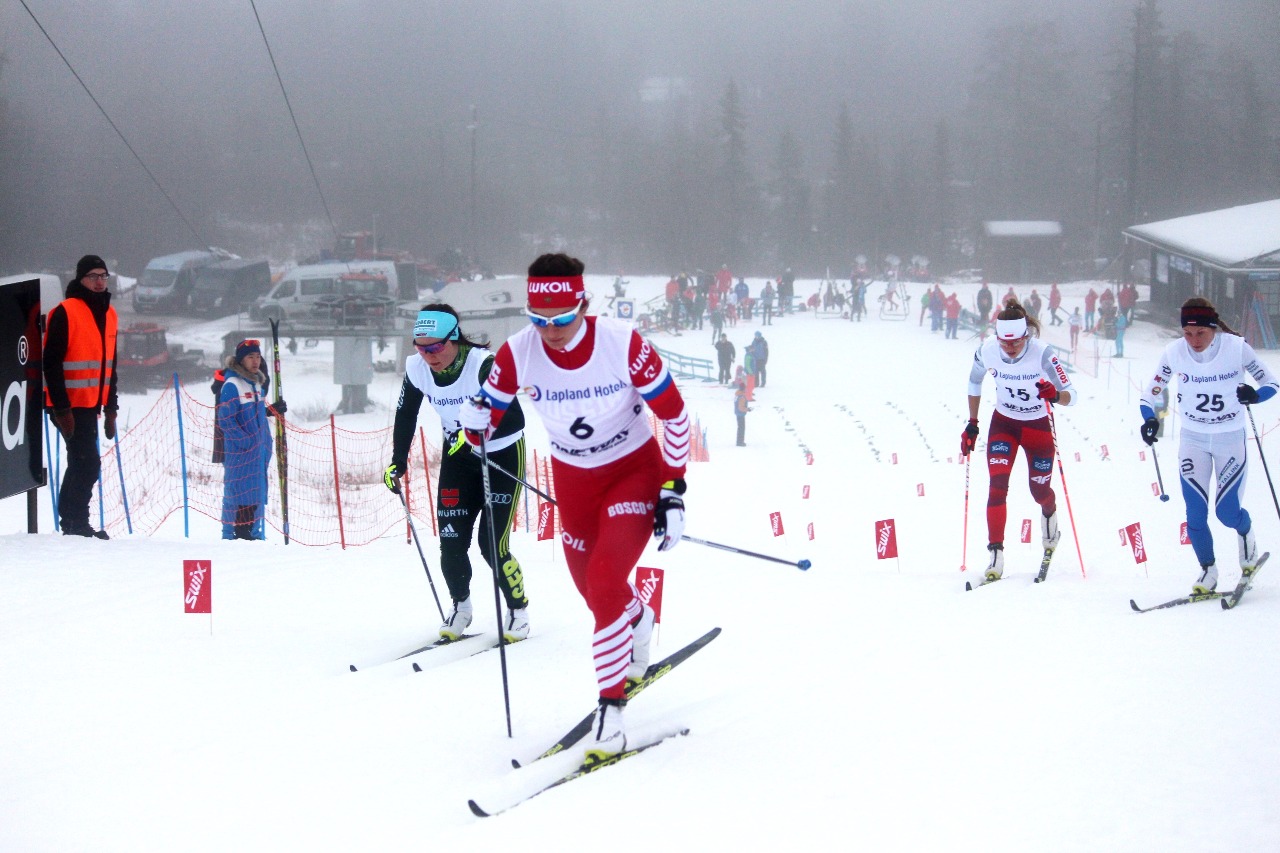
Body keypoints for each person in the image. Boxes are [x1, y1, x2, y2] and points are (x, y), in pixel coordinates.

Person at [459, 252, 690, 760]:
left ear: (583, 305)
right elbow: (489, 416)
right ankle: (638, 618)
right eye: (540, 321)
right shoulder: (519, 352)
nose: (552, 332)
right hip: (574, 481)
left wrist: (673, 492)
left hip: (633, 471)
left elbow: (675, 417)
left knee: (606, 580)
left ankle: (611, 709)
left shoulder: (622, 344)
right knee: (595, 592)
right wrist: (478, 423)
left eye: (562, 320)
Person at [382, 304, 530, 642]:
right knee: (451, 544)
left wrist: (471, 433)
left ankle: (518, 610)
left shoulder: (482, 365)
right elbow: (406, 413)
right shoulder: (417, 368)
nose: (429, 355)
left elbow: (515, 419)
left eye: (435, 347)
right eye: (421, 347)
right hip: (458, 459)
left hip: (501, 455)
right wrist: (398, 460)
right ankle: (461, 608)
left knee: (491, 545)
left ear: (454, 339)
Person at [1138, 297, 1277, 595]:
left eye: (1200, 333)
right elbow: (1147, 395)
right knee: (1195, 516)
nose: (1193, 340)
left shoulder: (1236, 348)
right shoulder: (1174, 352)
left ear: (1213, 328)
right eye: (1187, 334)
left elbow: (1272, 383)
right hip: (1193, 439)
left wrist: (1255, 395)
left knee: (1227, 513)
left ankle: (1247, 537)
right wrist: (1148, 420)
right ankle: (1209, 570)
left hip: (1229, 438)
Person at [960, 300, 1075, 580]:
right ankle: (995, 555)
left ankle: (1050, 514)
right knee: (997, 486)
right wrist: (972, 423)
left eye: (1016, 342)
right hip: (1005, 424)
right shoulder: (987, 350)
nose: (1010, 348)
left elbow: (1071, 394)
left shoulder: (1043, 353)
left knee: (1039, 492)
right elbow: (974, 381)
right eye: (1004, 342)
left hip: (1037, 427)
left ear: (1027, 335)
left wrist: (1054, 395)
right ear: (997, 337)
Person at [43, 254, 120, 539]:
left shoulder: (110, 314)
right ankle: (76, 524)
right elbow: (50, 363)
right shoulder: (65, 311)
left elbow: (111, 365)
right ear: (80, 279)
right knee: (87, 462)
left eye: (103, 276)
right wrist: (61, 409)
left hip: (91, 403)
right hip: (68, 404)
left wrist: (111, 407)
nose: (99, 282)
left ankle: (73, 522)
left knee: (82, 461)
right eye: (93, 276)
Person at [217, 339, 286, 540]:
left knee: (256, 495)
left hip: (258, 453)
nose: (255, 361)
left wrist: (272, 411)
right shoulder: (233, 385)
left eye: (257, 357)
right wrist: (246, 442)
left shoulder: (256, 384)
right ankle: (236, 536)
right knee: (238, 495)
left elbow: (254, 416)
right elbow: (227, 421)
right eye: (250, 357)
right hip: (241, 454)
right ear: (241, 360)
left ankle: (254, 535)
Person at [734, 380, 749, 446]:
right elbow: (741, 407)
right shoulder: (742, 397)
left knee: (740, 427)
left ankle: (739, 441)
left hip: (738, 413)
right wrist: (747, 409)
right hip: (740, 414)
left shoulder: (737, 394)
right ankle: (740, 442)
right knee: (741, 428)